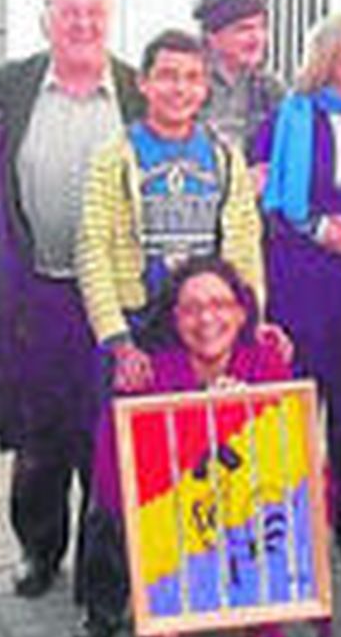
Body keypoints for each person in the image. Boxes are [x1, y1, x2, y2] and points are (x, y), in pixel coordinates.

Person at [0, 0, 145, 600]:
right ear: (45, 18)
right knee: (39, 438)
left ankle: (101, 570)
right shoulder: (7, 89)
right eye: (68, 12)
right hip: (37, 293)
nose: (82, 24)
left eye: (94, 12)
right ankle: (38, 550)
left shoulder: (136, 90)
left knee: (104, 437)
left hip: (117, 301)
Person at [74, 256, 312, 637]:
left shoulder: (266, 359)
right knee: (161, 614)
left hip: (246, 502)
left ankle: (267, 635)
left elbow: (290, 461)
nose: (207, 319)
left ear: (242, 312)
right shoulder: (149, 371)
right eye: (191, 308)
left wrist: (242, 418)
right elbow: (115, 484)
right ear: (173, 317)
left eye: (221, 305)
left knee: (278, 505)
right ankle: (169, 597)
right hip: (176, 509)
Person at [257, 14, 341, 564]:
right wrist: (315, 228)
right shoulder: (282, 120)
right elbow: (260, 197)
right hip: (300, 282)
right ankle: (284, 519)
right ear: (328, 60)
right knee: (294, 402)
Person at [76, 28, 265, 392]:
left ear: (205, 86)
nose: (180, 89)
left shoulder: (225, 157)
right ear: (143, 83)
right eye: (167, 76)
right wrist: (118, 342)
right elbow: (92, 250)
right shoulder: (113, 157)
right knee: (130, 440)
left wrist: (252, 321)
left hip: (202, 324)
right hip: (137, 324)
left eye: (192, 78)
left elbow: (245, 248)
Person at [192, 0, 286, 178]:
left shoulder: (270, 89)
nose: (257, 38)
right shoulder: (188, 85)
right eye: (244, 29)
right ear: (212, 36)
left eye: (261, 28)